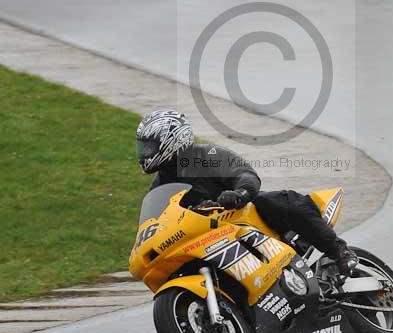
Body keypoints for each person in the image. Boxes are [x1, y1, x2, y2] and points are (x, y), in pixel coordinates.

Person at [136, 109, 357, 276]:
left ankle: (338, 251)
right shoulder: (160, 185)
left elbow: (244, 174)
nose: (144, 153)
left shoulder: (207, 155)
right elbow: (157, 221)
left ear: (171, 139)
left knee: (271, 201)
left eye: (148, 146)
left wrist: (239, 193)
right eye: (143, 147)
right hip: (207, 238)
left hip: (242, 218)